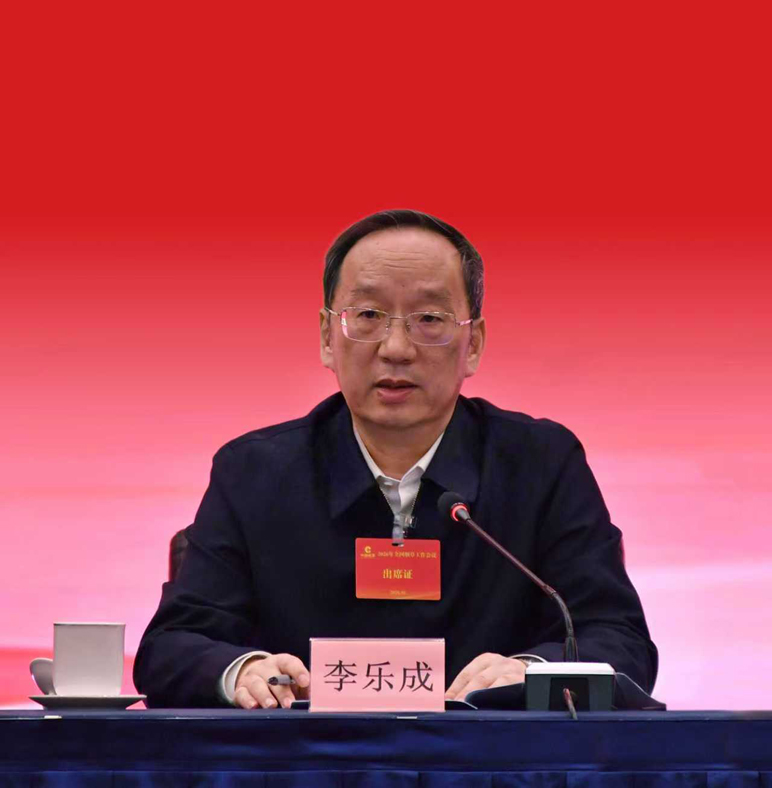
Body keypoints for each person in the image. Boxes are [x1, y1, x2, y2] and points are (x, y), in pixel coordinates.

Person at [134, 209, 657, 709]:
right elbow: (172, 646)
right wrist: (242, 670)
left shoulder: (540, 465)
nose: (397, 348)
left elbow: (618, 638)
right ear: (327, 337)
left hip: (487, 758)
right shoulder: (255, 472)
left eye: (429, 318)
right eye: (368, 316)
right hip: (307, 758)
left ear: (473, 343)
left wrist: (531, 672)